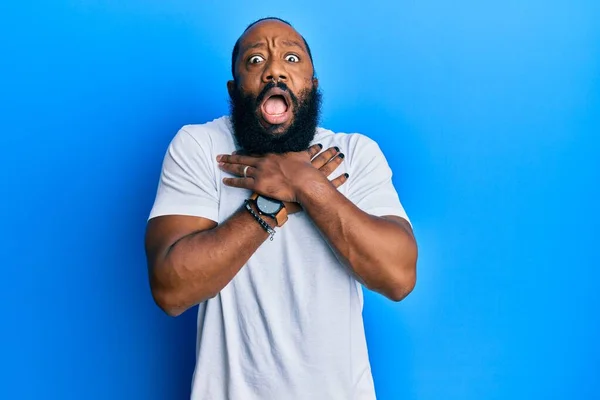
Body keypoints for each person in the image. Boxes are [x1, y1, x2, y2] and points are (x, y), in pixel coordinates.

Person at [145, 16, 418, 400]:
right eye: (255, 61)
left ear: (312, 85)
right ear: (235, 88)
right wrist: (268, 205)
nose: (275, 70)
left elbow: (398, 277)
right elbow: (171, 290)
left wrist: (309, 185)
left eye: (292, 59)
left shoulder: (355, 153)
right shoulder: (201, 147)